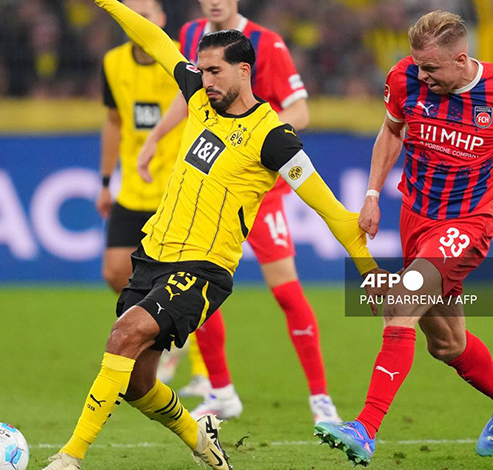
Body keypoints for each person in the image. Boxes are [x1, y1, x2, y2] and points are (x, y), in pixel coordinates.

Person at [43, 0, 381, 469]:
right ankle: (198, 436)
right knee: (138, 383)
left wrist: (370, 274)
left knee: (123, 335)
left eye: (216, 72)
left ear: (245, 71)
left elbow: (334, 214)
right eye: (201, 71)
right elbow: (154, 39)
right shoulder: (199, 98)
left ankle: (70, 456)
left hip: (203, 268)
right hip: (154, 255)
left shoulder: (273, 136)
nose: (206, 81)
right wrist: (110, 4)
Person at [314, 10, 493, 466]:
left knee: (401, 303)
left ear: (461, 59)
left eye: (432, 67)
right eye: (418, 64)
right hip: (416, 219)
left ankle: (365, 428)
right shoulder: (404, 80)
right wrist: (373, 195)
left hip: (468, 223)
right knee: (446, 344)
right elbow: (391, 132)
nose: (422, 74)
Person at [138, 0, 339, 424]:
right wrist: (157, 135)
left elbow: (300, 111)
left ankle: (321, 399)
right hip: (212, 185)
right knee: (194, 281)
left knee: (286, 291)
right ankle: (222, 390)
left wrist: (249, 139)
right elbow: (191, 96)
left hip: (259, 185)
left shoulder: (269, 43)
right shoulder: (194, 36)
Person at [94, 0, 209, 395]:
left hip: (175, 190)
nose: (140, 22)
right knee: (114, 272)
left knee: (184, 280)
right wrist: (106, 181)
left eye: (148, 15)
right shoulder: (113, 62)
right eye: (133, 15)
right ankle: (163, 333)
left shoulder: (181, 62)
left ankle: (199, 368)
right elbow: (113, 121)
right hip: (133, 189)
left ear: (161, 21)